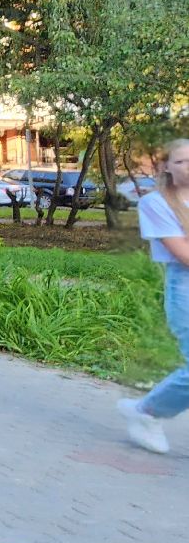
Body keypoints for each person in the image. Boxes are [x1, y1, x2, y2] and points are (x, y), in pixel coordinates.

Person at [118, 138, 189, 455]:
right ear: (166, 167)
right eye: (182, 161)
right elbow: (183, 254)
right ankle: (147, 412)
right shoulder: (156, 203)